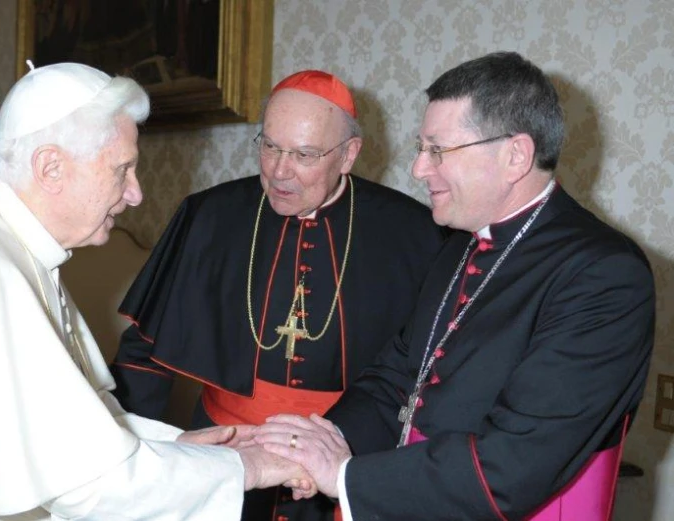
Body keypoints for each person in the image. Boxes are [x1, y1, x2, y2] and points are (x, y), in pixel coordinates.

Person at [0, 62, 312, 521]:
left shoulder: (6, 242)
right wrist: (243, 467)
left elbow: (64, 437)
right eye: (122, 170)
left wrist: (178, 447)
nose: (136, 194)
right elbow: (85, 486)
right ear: (51, 167)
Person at [254, 51, 656, 521]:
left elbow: (513, 466)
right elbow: (398, 374)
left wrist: (343, 475)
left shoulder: (603, 274)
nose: (418, 169)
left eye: (437, 150)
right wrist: (324, 441)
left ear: (515, 155)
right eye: (420, 148)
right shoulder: (460, 245)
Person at [110, 69, 446, 520]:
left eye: (305, 155)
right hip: (225, 452)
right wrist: (134, 466)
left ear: (348, 154)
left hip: (345, 459)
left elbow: (431, 376)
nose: (279, 170)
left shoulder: (415, 233)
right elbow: (144, 355)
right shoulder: (209, 215)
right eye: (270, 146)